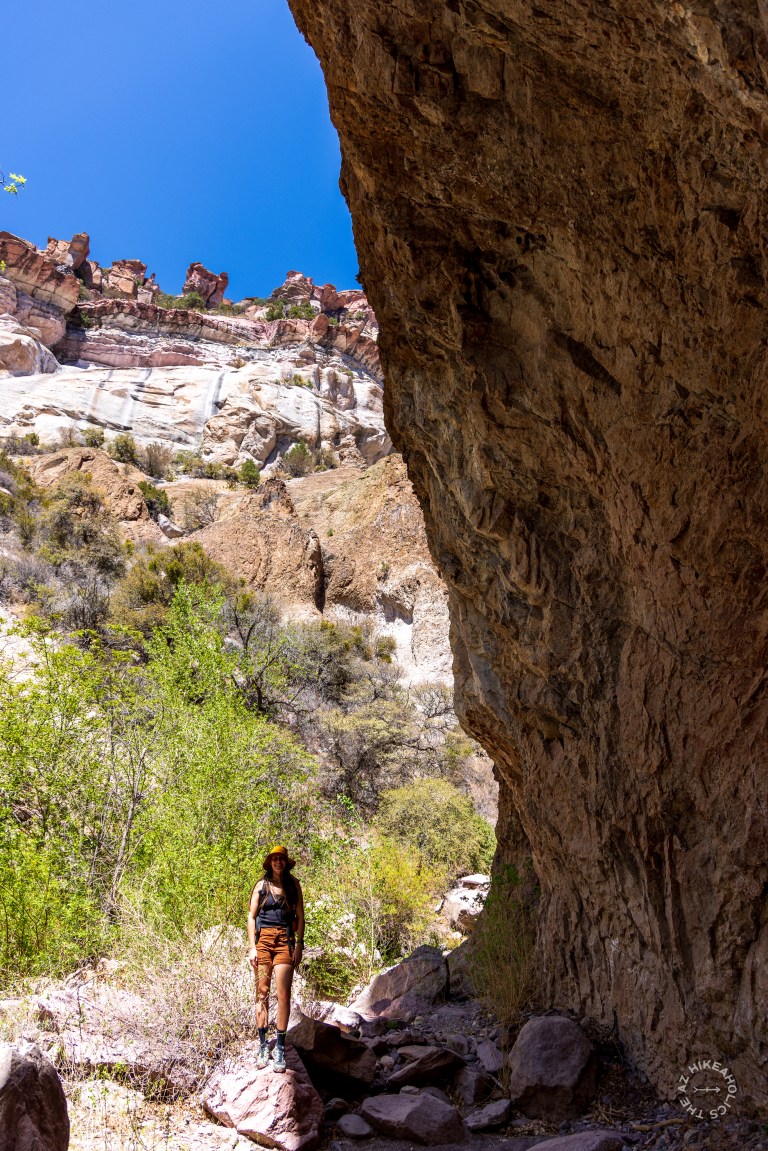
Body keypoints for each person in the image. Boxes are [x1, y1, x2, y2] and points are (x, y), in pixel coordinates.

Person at [247, 844, 305, 1073]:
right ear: (270, 862)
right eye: (275, 859)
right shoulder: (261, 886)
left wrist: (299, 944)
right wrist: (252, 948)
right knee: (262, 992)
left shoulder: (294, 885)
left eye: (281, 859)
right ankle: (263, 1045)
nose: (278, 862)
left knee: (283, 995)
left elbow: (301, 916)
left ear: (286, 862)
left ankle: (279, 1046)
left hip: (285, 941)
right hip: (263, 941)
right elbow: (251, 917)